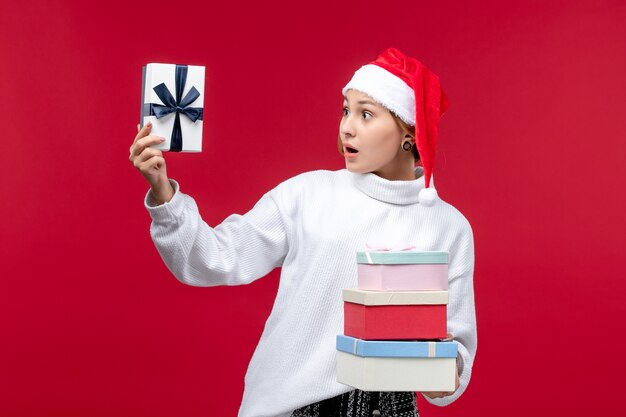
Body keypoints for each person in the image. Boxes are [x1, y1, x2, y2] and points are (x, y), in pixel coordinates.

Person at [129, 47, 477, 417]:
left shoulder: (449, 227)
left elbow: (451, 371)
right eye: (346, 110)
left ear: (409, 132)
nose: (347, 126)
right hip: (290, 407)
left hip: (390, 409)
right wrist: (164, 194)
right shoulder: (307, 195)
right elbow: (212, 259)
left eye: (366, 114)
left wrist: (431, 356)